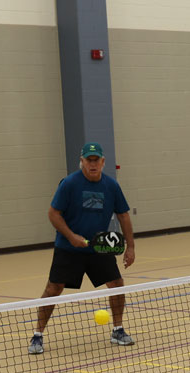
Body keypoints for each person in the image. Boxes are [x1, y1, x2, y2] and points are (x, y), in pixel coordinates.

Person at [28, 142, 136, 355]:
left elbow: (123, 214)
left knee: (117, 284)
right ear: (82, 162)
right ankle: (37, 335)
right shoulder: (69, 184)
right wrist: (71, 236)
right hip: (68, 248)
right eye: (89, 160)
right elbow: (53, 213)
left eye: (96, 160)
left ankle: (117, 329)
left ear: (103, 162)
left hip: (98, 247)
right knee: (53, 289)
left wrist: (130, 246)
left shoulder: (111, 186)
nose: (93, 164)